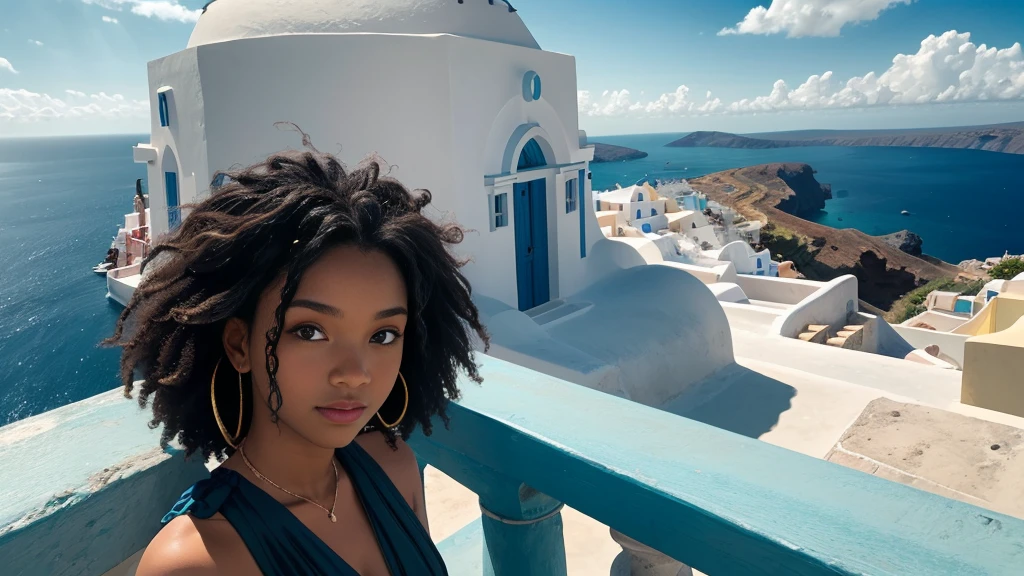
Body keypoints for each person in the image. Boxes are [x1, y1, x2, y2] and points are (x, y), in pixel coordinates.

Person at [105, 138, 489, 575]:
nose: (355, 374)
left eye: (383, 335)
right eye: (310, 331)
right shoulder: (197, 563)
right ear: (238, 345)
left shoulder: (395, 469)